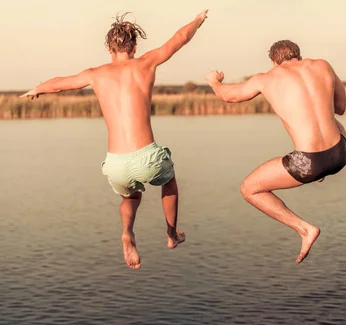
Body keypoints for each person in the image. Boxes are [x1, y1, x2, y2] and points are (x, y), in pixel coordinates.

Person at [22, 11, 210, 269]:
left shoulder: (95, 73)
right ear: (133, 46)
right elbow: (179, 38)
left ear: (110, 47)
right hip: (148, 156)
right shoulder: (146, 63)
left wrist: (37, 88)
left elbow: (60, 83)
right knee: (169, 182)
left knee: (130, 197)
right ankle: (171, 234)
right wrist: (197, 21)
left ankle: (127, 233)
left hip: (116, 163)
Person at [205, 40, 346, 264]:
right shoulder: (323, 65)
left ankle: (304, 229)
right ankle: (321, 172)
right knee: (336, 124)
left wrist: (214, 83)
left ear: (274, 62)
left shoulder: (267, 78)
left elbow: (228, 96)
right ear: (299, 56)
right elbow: (340, 108)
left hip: (308, 163)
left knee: (249, 189)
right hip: (341, 154)